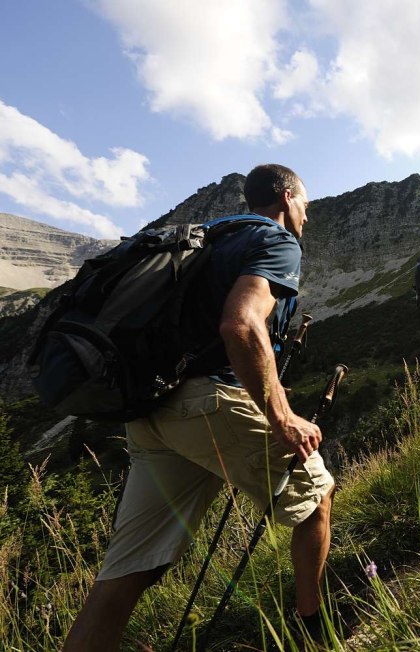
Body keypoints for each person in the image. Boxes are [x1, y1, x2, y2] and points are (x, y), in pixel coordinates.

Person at [63, 164, 336, 651]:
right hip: (207, 403)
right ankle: (314, 629)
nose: (306, 217)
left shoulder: (210, 237)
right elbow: (241, 325)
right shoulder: (277, 240)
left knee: (127, 572)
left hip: (151, 413)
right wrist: (282, 416)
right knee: (316, 501)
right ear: (288, 196)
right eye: (306, 206)